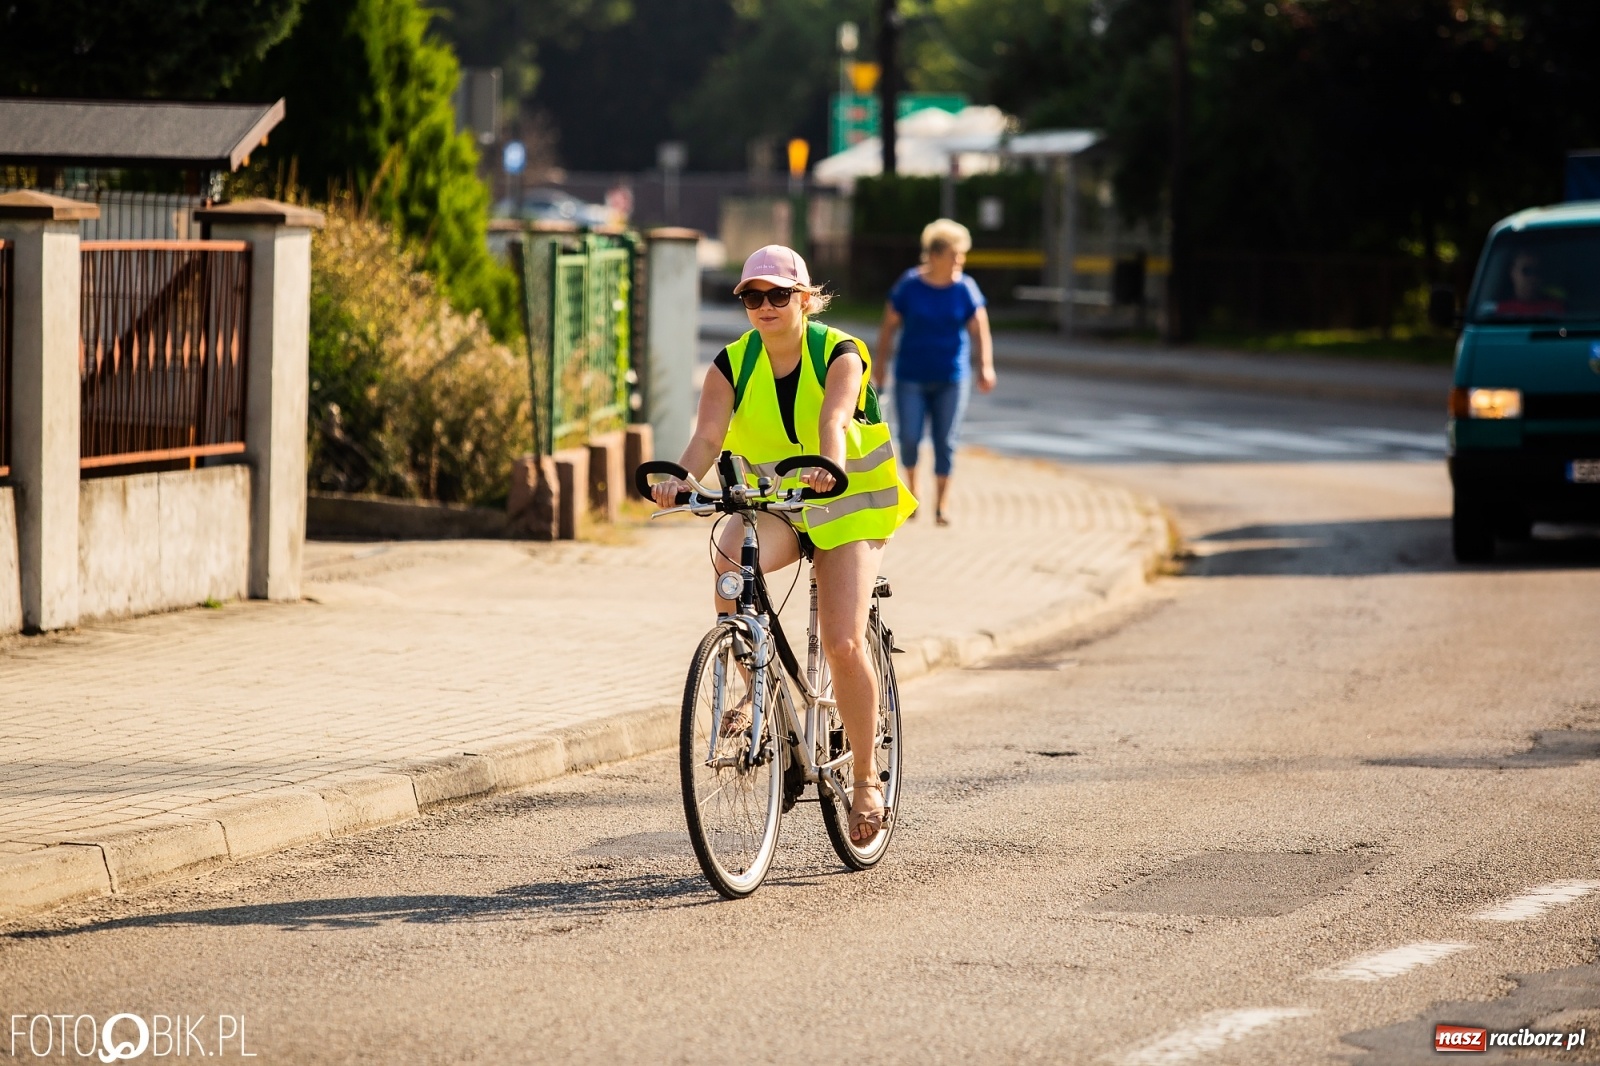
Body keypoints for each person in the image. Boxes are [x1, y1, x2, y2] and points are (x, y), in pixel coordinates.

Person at [650, 245, 916, 846]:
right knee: (729, 557)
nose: (764, 306)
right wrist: (681, 480)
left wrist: (827, 465)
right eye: (752, 296)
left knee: (843, 641)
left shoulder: (840, 352)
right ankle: (755, 695)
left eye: (777, 294)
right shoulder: (731, 363)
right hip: (777, 503)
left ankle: (867, 777)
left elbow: (834, 419)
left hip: (848, 500)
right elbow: (707, 437)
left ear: (804, 298)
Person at [873, 218, 996, 526]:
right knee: (909, 437)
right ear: (935, 255)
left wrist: (985, 365)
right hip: (910, 376)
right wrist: (880, 365)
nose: (960, 261)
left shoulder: (965, 288)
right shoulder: (909, 285)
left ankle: (941, 505)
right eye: (955, 254)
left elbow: (980, 328)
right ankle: (913, 491)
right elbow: (888, 327)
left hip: (951, 377)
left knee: (946, 440)